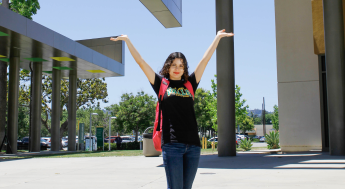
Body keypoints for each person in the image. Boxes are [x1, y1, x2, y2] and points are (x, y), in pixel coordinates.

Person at [110, 29, 234, 189]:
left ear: (184, 69)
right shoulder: (160, 83)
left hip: (193, 146)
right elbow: (141, 62)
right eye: (174, 65)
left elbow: (205, 60)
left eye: (181, 66)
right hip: (172, 145)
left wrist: (217, 37)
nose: (177, 68)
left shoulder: (190, 84)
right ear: (168, 67)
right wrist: (127, 41)